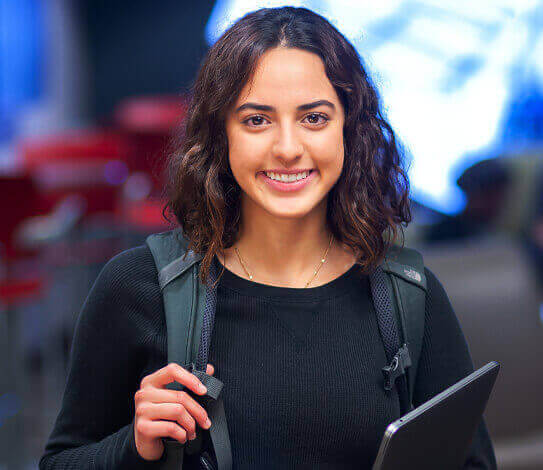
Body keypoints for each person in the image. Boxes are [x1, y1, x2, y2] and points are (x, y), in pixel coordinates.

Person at [39, 6, 497, 469]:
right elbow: (61, 461)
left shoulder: (408, 296)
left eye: (314, 118)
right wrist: (135, 448)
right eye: (257, 120)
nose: (287, 148)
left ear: (349, 130)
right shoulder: (140, 287)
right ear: (221, 135)